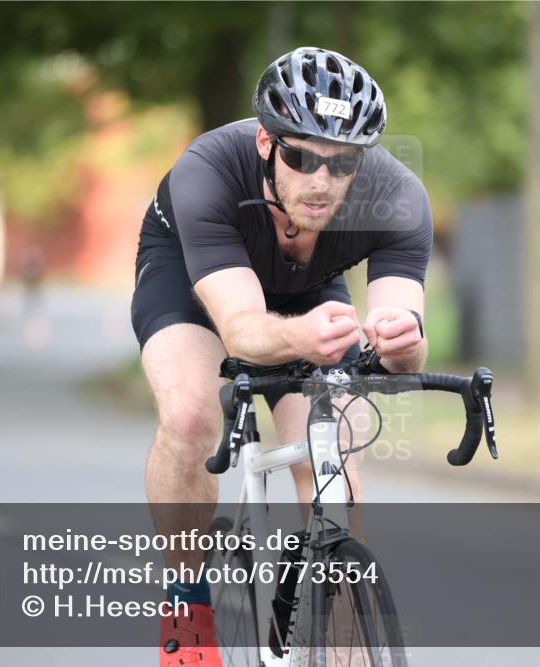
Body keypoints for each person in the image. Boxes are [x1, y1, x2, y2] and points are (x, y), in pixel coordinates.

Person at [131, 46, 432, 667]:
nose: (321, 182)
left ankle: (345, 646)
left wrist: (404, 342)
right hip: (197, 280)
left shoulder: (398, 197)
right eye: (301, 157)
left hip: (308, 287)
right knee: (191, 414)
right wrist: (302, 340)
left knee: (336, 460)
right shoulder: (208, 171)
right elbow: (241, 333)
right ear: (267, 142)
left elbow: (402, 341)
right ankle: (188, 606)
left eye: (342, 162)